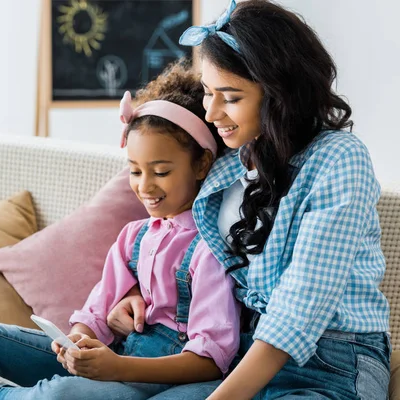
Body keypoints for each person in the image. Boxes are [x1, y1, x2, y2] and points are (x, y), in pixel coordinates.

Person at [0, 61, 240, 400]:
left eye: (160, 172)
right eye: (135, 171)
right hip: (108, 361)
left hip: (145, 377)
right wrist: (76, 342)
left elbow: (210, 361)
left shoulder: (209, 246)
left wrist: (116, 366)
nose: (145, 186)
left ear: (202, 164)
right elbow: (95, 314)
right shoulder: (133, 237)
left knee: (61, 394)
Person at [107, 1, 391, 399]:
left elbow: (300, 308)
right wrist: (137, 293)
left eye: (231, 97)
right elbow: (173, 234)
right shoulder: (229, 157)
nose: (212, 111)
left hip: (332, 361)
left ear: (279, 94)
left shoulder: (340, 159)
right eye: (208, 92)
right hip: (241, 354)